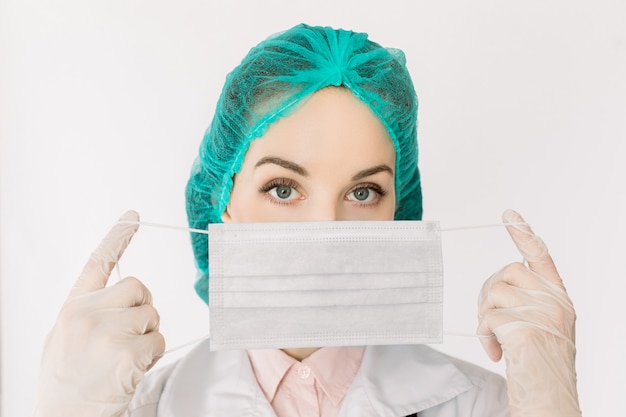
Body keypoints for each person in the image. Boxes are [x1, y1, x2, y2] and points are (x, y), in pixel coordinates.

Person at [32, 24, 581, 417]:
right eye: (283, 188)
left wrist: (552, 406)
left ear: (399, 213)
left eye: (363, 191)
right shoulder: (140, 409)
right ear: (222, 203)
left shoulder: (490, 407)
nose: (325, 230)